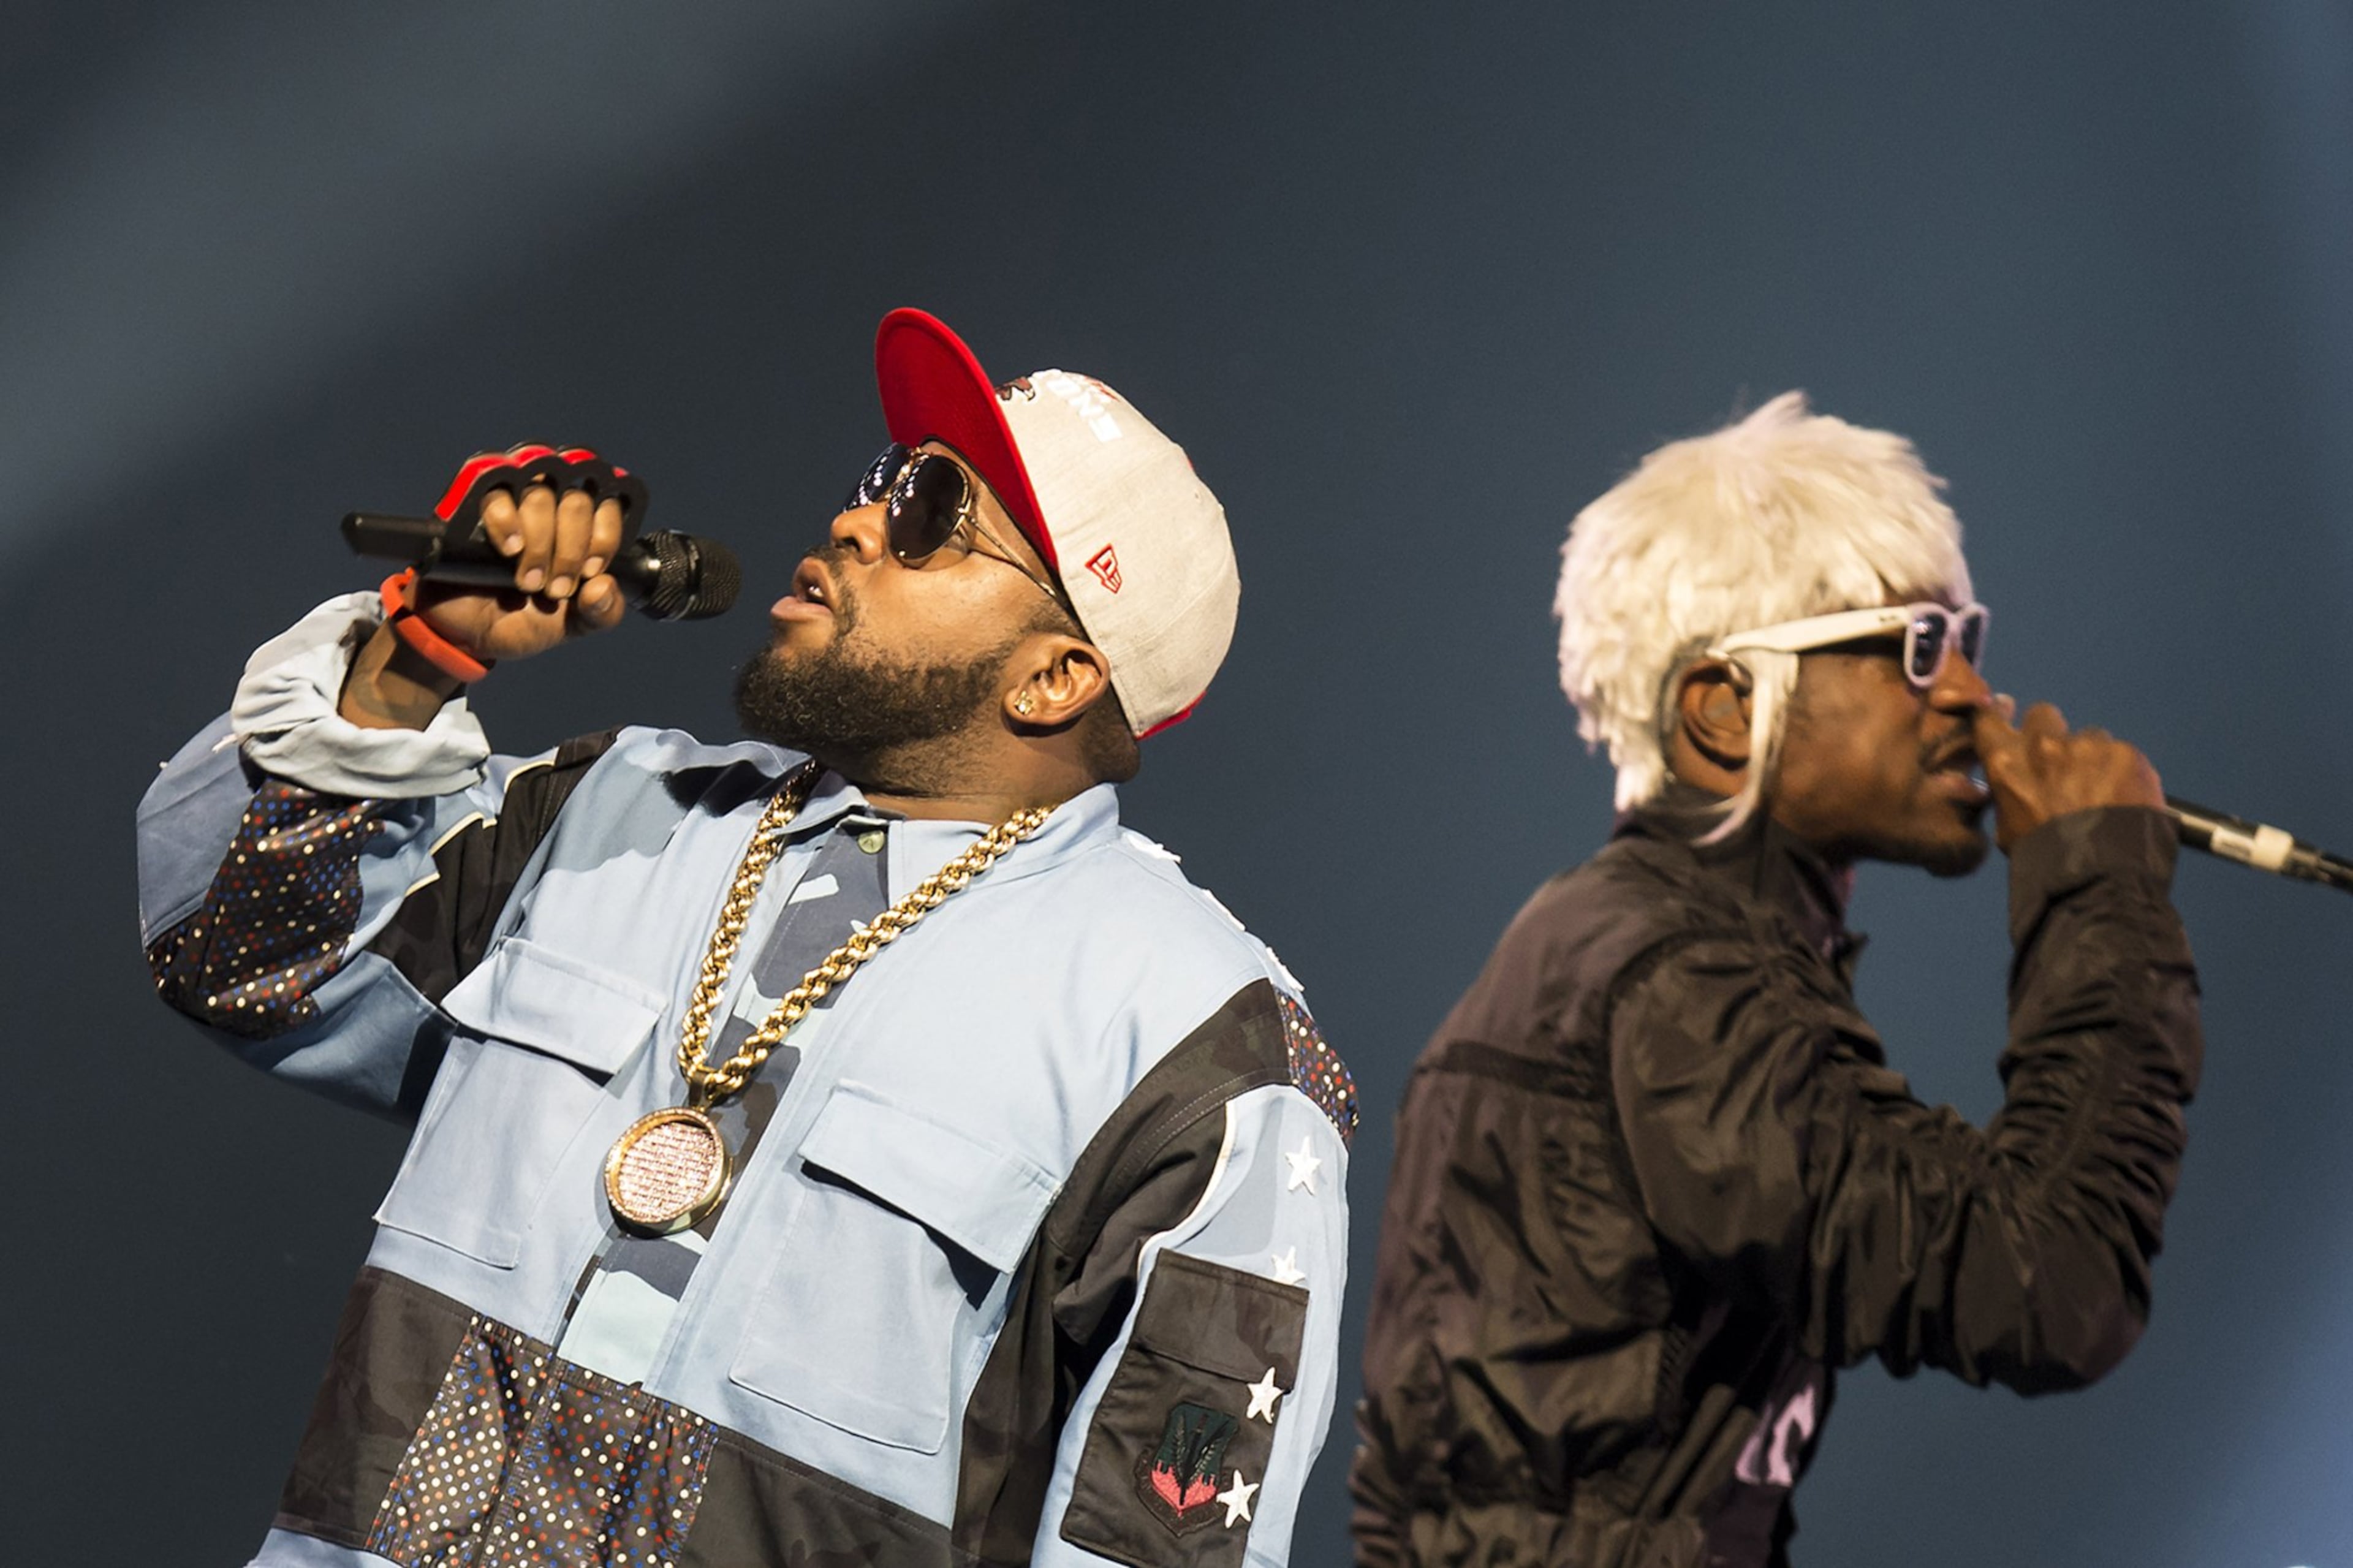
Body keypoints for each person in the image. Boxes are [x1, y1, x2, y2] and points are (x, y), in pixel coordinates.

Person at [137, 309, 1355, 1568]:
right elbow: (228, 950)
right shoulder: (606, 810)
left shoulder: (1206, 1050)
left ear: (1054, 677)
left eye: (933, 514)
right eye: (884, 477)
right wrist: (410, 664)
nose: (856, 521)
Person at [1347, 393, 2201, 1567]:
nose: (1972, 694)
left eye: (1966, 639)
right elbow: (2052, 1284)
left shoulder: (1623, 949)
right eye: (1916, 645)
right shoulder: (1677, 991)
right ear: (1725, 710)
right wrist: (2099, 886)